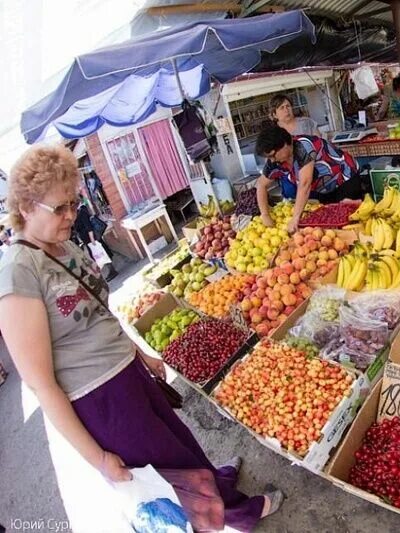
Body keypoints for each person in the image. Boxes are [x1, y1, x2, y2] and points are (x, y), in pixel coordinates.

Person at [0, 145, 282, 532]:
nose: (71, 216)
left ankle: (216, 482)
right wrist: (97, 459)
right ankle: (236, 514)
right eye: (59, 209)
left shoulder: (63, 247)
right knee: (167, 468)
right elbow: (41, 384)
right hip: (101, 399)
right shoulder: (18, 272)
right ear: (27, 207)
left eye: (73, 205)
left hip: (128, 373)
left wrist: (138, 354)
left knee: (180, 440)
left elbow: (100, 313)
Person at [255, 124, 359, 233]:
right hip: (323, 189)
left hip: (345, 180)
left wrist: (295, 218)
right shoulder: (276, 161)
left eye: (272, 155)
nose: (271, 160)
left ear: (284, 144)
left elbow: (305, 183)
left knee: (349, 221)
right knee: (330, 225)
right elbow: (261, 184)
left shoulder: (303, 145)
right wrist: (265, 214)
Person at [73, 195, 118, 281]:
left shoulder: (82, 211)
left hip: (91, 239)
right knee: (100, 255)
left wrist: (92, 240)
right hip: (90, 239)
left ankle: (112, 270)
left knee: (101, 254)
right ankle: (110, 270)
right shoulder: (80, 210)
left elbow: (88, 227)